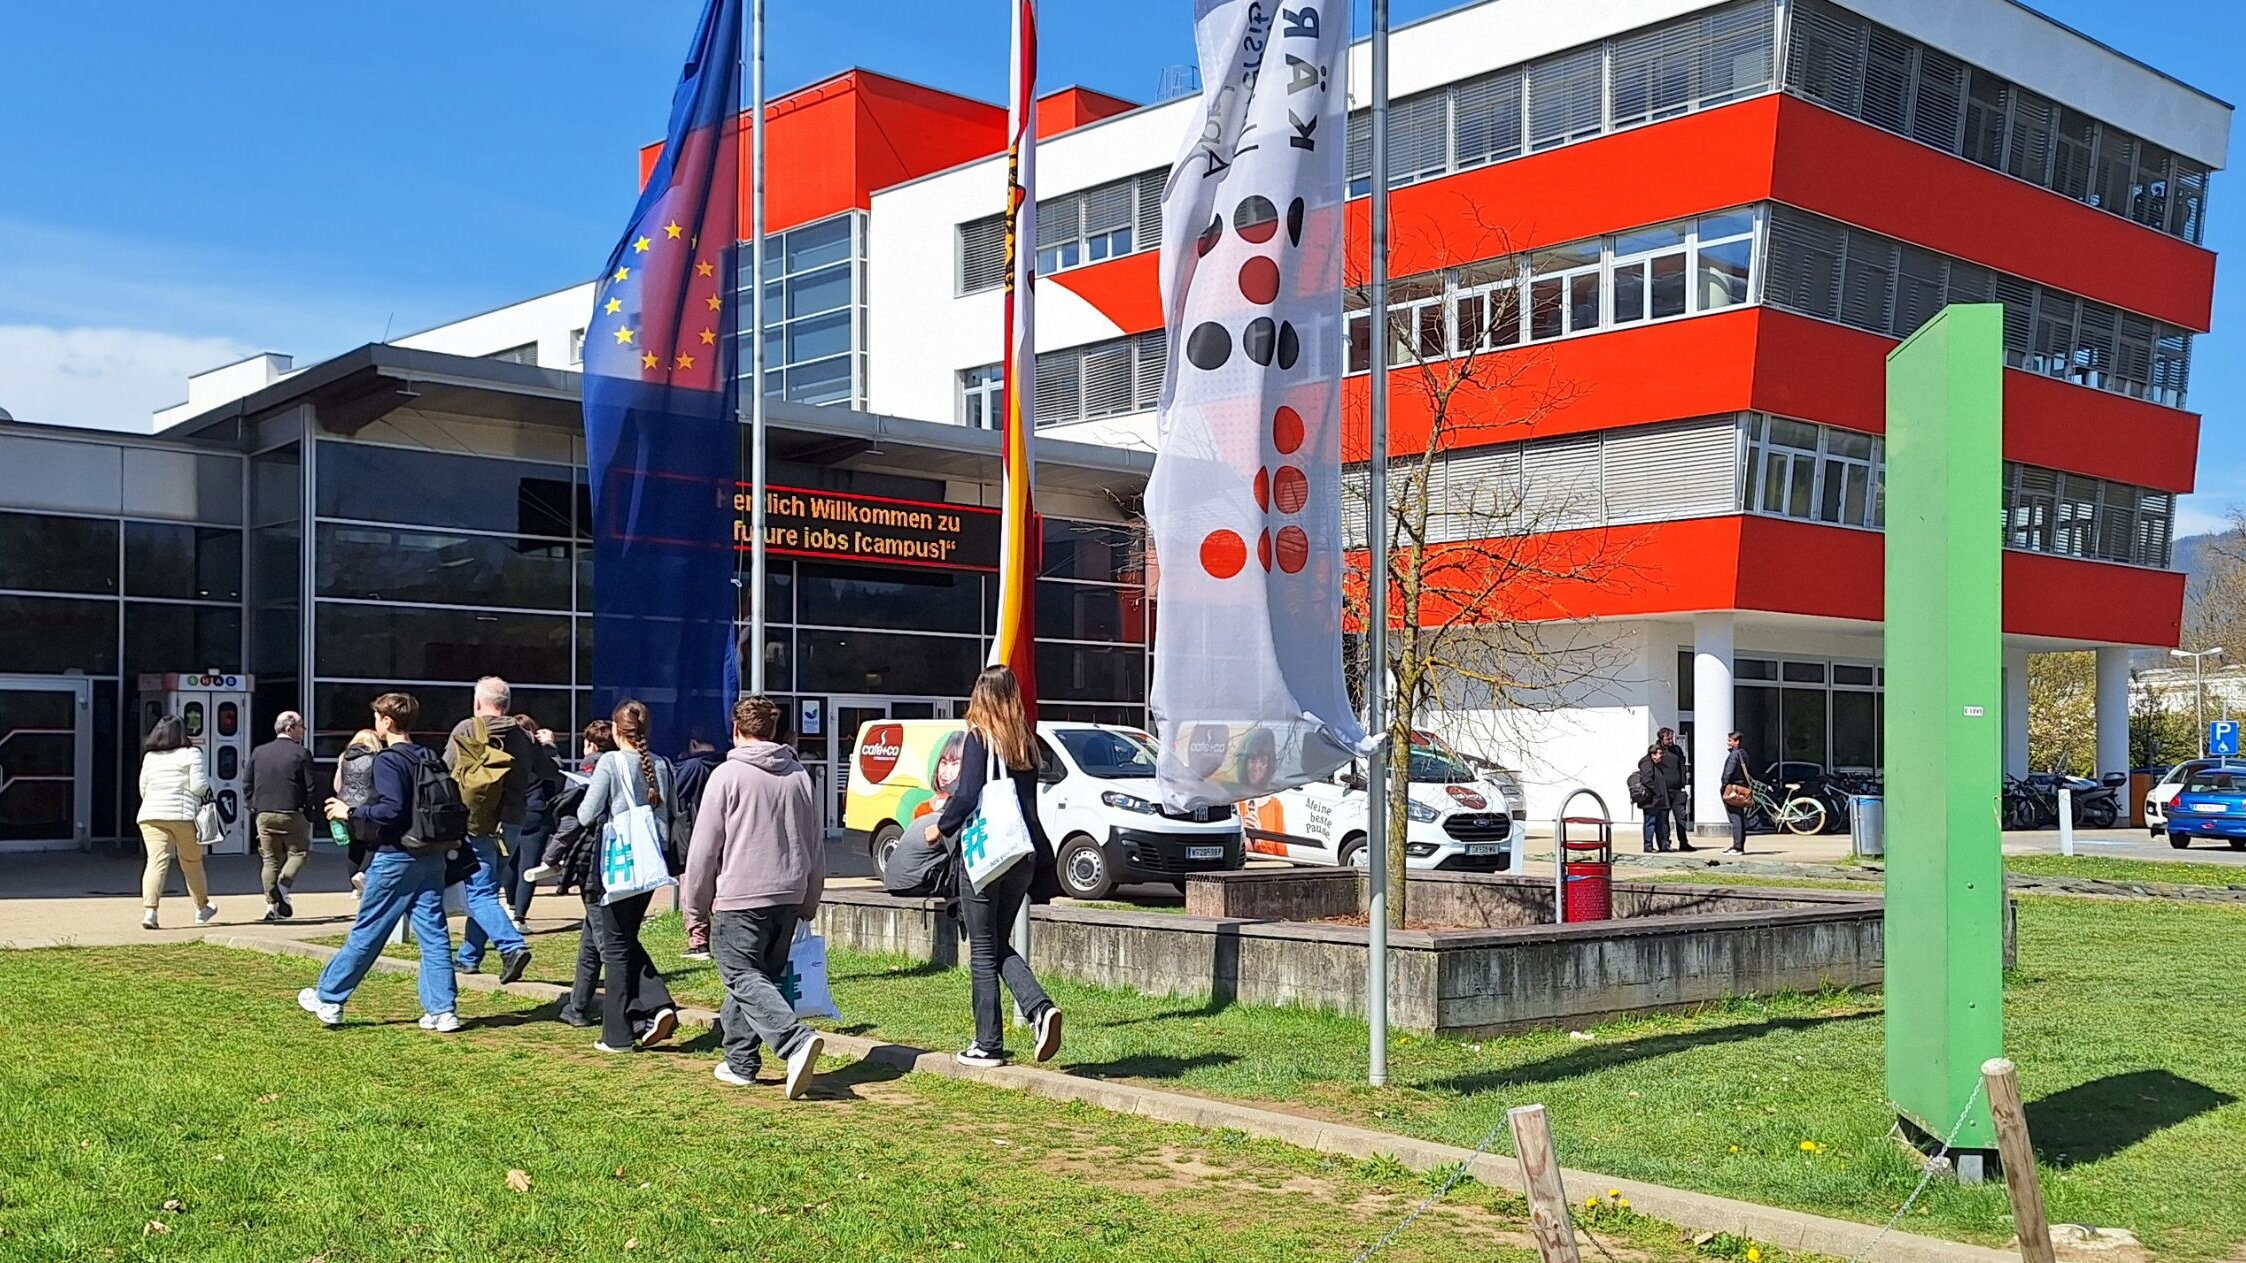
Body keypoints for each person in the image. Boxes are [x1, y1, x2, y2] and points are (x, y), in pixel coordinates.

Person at [684, 696, 827, 1098]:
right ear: (774, 732)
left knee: (741, 975)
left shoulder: (727, 775)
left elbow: (703, 851)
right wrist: (810, 898)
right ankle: (741, 1062)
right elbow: (814, 845)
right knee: (755, 980)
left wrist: (694, 909)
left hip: (740, 896)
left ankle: (794, 1041)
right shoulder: (799, 775)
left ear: (736, 730)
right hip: (788, 894)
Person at [921, 665, 1063, 1068]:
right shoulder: (1025, 742)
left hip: (985, 854)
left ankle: (988, 1044)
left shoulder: (979, 738)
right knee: (997, 944)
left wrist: (940, 828)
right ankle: (1039, 1009)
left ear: (980, 697)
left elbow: (966, 796)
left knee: (982, 950)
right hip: (1020, 852)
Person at [298, 692, 460, 1031]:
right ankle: (442, 1010)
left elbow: (391, 810)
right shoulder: (429, 755)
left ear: (387, 721)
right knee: (433, 934)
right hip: (431, 854)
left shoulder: (388, 760)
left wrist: (351, 812)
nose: (375, 723)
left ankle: (329, 998)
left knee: (368, 931)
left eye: (377, 717)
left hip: (395, 856)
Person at [574, 699, 681, 1054]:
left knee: (616, 947)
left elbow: (587, 815)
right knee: (625, 938)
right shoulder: (663, 765)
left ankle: (617, 1033)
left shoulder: (610, 761)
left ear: (617, 731)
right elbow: (674, 812)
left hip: (617, 865)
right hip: (651, 865)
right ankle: (654, 1005)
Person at [447, 676, 534, 983]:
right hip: (511, 824)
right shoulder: (523, 735)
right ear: (507, 705)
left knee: (480, 895)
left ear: (477, 702)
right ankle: (469, 957)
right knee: (487, 892)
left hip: (477, 824)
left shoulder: (466, 729)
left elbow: (448, 774)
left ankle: (512, 946)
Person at [136, 715, 218, 930]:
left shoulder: (150, 757)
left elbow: (143, 788)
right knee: (191, 863)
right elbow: (199, 786)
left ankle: (150, 912)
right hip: (182, 815)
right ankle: (202, 908)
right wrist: (212, 786)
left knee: (156, 862)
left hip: (151, 815)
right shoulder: (192, 753)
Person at [245, 710, 322, 920]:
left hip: (264, 813)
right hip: (291, 812)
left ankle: (271, 907)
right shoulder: (301, 753)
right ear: (289, 729)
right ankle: (283, 885)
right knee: (299, 854)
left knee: (270, 860)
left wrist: (252, 805)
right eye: (301, 726)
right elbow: (311, 787)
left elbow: (247, 782)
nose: (303, 731)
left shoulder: (259, 752)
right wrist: (310, 812)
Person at [670, 732, 727, 960]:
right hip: (725, 834)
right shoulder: (726, 764)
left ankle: (698, 941)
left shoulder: (690, 767)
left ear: (693, 743)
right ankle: (721, 939)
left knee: (692, 888)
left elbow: (673, 794)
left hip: (693, 834)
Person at [507, 714, 564, 927]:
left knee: (512, 861)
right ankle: (519, 917)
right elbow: (556, 770)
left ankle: (511, 906)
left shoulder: (508, 753)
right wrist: (549, 744)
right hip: (536, 812)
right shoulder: (538, 755)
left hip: (513, 811)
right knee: (528, 865)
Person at [334, 729, 383, 895]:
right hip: (368, 805)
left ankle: (354, 885)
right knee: (376, 843)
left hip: (346, 806)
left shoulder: (344, 758)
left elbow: (337, 784)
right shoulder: (377, 758)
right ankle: (364, 874)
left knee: (355, 846)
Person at [1655, 727, 1696, 853]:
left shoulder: (1677, 750)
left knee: (1681, 817)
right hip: (1664, 791)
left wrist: (1686, 785)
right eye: (1668, 739)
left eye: (1672, 738)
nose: (1671, 741)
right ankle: (1664, 844)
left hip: (1678, 790)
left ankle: (1683, 842)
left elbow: (1682, 767)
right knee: (1663, 819)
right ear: (1661, 739)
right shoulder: (1657, 751)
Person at [1636, 744, 1673, 853]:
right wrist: (1657, 793)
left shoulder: (1658, 764)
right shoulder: (1647, 764)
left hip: (1659, 800)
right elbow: (1647, 780)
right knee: (1650, 822)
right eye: (1660, 754)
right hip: (1651, 800)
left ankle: (1663, 845)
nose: (1662, 756)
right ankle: (1648, 845)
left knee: (1661, 824)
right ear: (1653, 755)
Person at [1721, 731, 1754, 855]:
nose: (1728, 743)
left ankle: (1737, 846)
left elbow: (1728, 773)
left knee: (1735, 817)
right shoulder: (1744, 754)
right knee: (1739, 816)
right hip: (1742, 787)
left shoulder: (1734, 754)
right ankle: (1739, 845)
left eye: (1730, 740)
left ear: (1737, 741)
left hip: (1734, 788)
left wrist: (1724, 786)